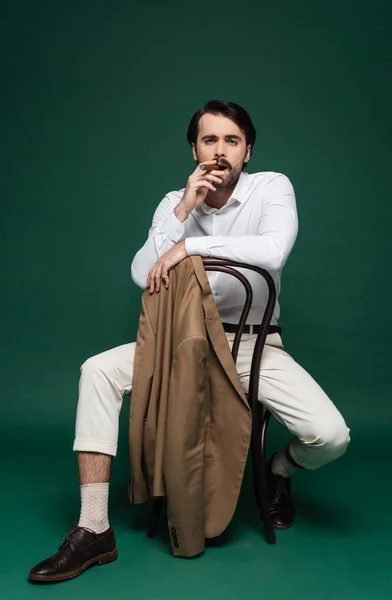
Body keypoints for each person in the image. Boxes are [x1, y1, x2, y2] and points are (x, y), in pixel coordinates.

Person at [28, 100, 350, 583]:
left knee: (331, 436)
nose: (220, 151)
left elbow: (274, 252)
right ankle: (93, 528)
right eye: (209, 140)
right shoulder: (174, 202)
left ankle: (279, 471)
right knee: (97, 370)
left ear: (248, 151)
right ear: (194, 148)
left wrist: (191, 246)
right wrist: (183, 210)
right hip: (179, 343)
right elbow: (143, 274)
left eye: (232, 141)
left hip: (250, 344)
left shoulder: (272, 187)